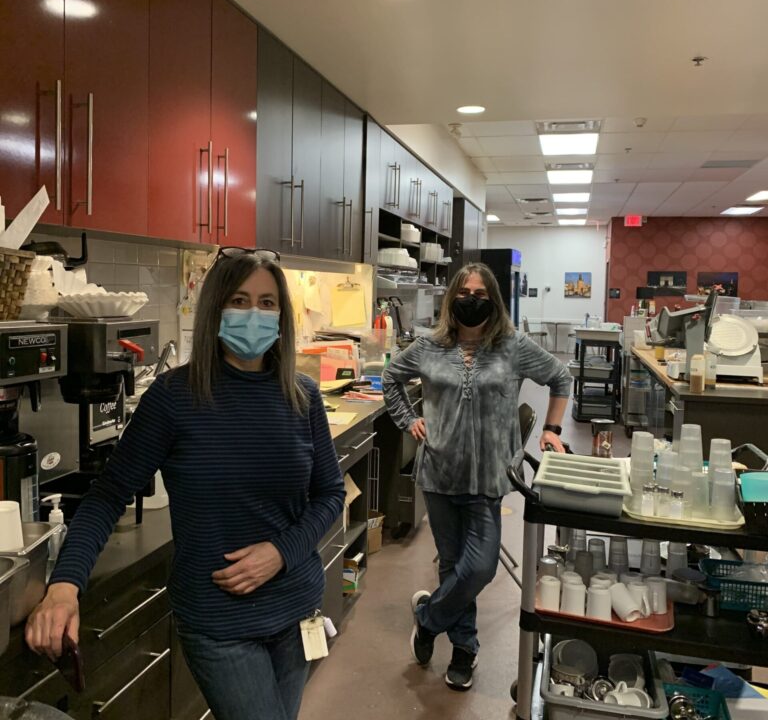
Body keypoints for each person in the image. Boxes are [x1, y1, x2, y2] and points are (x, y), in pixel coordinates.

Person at [26, 247, 345, 720]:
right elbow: (109, 495)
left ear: (282, 315)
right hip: (219, 623)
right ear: (216, 308)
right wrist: (65, 584)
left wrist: (279, 553)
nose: (253, 313)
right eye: (239, 300)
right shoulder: (175, 398)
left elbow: (330, 496)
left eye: (266, 303)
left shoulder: (302, 397)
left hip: (296, 607)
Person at [382, 262, 571, 691]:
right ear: (452, 298)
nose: (471, 299)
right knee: (453, 567)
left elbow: (561, 378)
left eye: (481, 294)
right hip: (440, 474)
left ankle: (428, 620)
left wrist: (551, 430)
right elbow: (391, 377)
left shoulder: (512, 346)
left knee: (479, 568)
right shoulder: (430, 346)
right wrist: (408, 419)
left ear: (494, 301)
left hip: (489, 478)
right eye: (464, 292)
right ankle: (465, 650)